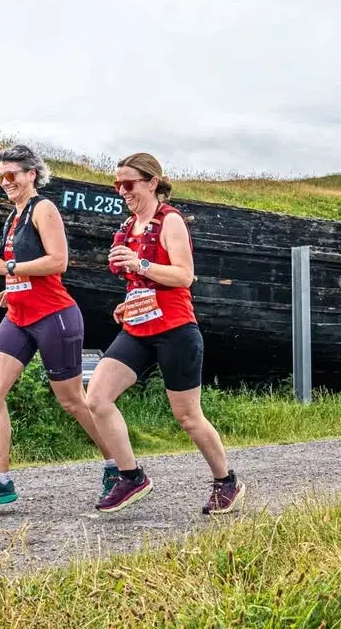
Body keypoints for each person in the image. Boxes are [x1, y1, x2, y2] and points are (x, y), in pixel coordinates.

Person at [85, 152, 246, 515]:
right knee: (96, 397)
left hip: (175, 330)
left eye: (129, 184)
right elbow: (144, 284)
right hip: (138, 329)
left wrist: (140, 263)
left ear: (152, 183)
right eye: (117, 185)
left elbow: (183, 276)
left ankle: (226, 481)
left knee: (188, 416)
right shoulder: (127, 228)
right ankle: (131, 476)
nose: (122, 191)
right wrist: (131, 302)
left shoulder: (170, 221)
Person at [0, 144, 116, 505]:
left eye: (12, 174)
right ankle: (1, 479)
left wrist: (10, 270)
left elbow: (59, 262)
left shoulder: (43, 209)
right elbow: (30, 270)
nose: (5, 181)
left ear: (31, 174)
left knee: (74, 401)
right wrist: (12, 288)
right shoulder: (13, 216)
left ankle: (119, 465)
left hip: (54, 316)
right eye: (0, 176)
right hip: (19, 315)